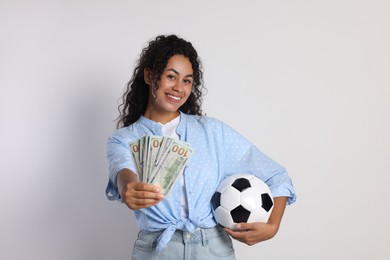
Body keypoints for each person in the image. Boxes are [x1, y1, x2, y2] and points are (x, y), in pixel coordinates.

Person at [105, 34, 296, 259]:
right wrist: (130, 187)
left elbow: (277, 176)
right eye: (170, 76)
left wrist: (272, 226)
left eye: (187, 80)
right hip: (158, 250)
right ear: (149, 76)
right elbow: (123, 173)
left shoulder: (212, 132)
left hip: (213, 249)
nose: (178, 88)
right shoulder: (123, 139)